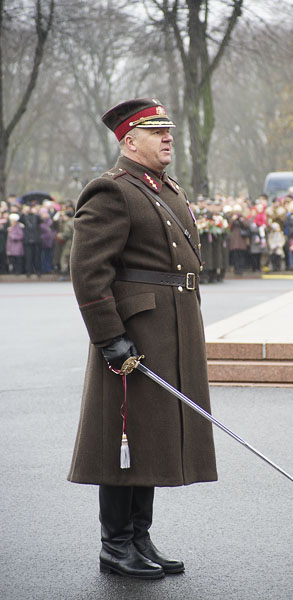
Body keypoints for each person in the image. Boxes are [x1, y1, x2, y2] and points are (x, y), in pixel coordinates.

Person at [68, 97, 217, 580]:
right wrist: (111, 338)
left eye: (168, 130)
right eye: (156, 131)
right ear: (130, 140)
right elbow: (89, 274)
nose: (167, 137)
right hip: (133, 335)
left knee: (148, 438)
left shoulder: (163, 186)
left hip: (170, 329)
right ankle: (115, 545)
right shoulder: (111, 191)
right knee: (123, 439)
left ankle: (139, 536)